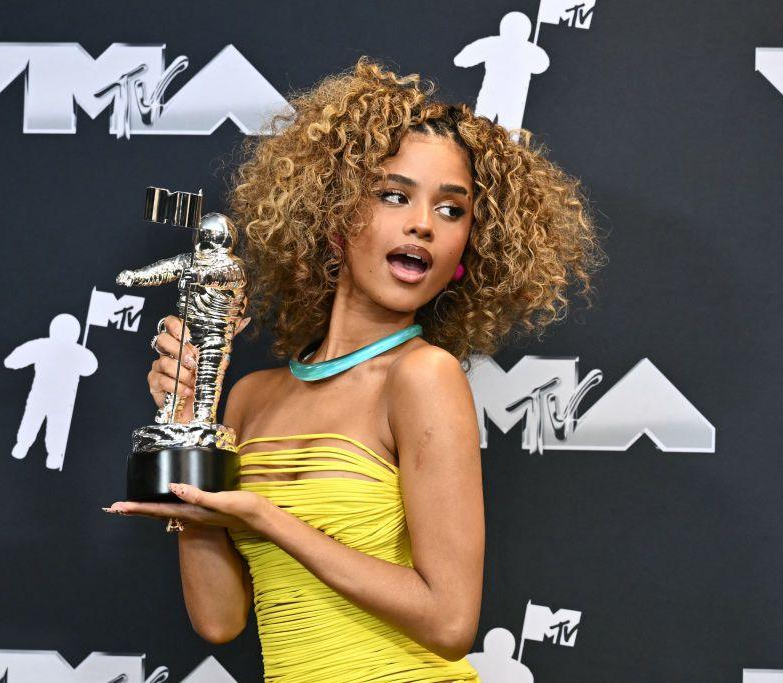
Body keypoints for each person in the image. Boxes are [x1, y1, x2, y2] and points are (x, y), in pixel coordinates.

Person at [103, 55, 605, 682]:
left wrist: (265, 518)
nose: (423, 223)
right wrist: (187, 436)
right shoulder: (250, 398)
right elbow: (220, 621)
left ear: (463, 255)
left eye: (453, 210)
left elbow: (449, 624)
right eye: (394, 196)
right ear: (335, 223)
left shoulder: (423, 377)